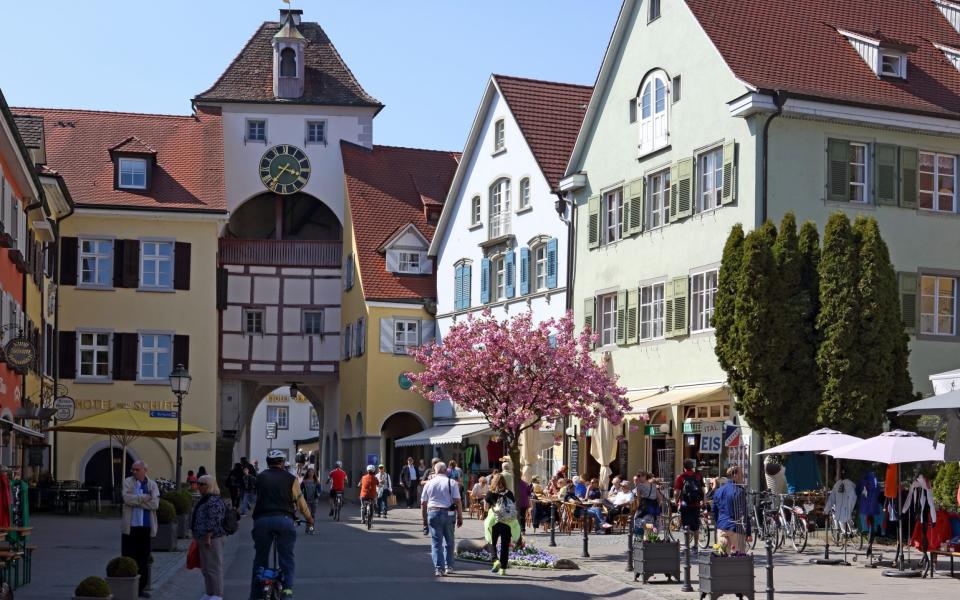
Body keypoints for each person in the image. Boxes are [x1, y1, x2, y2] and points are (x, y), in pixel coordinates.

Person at [249, 449, 314, 600]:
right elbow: (300, 500)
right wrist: (309, 518)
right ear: (282, 463)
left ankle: (255, 595)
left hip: (262, 520)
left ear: (268, 463)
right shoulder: (291, 479)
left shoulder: (260, 477)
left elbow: (253, 498)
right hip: (284, 520)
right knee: (287, 558)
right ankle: (287, 592)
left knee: (260, 558)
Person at [121, 460, 159, 598]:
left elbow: (155, 504)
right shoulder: (127, 482)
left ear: (144, 470)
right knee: (128, 557)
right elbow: (126, 499)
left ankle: (141, 588)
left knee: (143, 559)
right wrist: (144, 497)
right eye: (132, 469)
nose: (133, 471)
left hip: (145, 527)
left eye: (136, 469)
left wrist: (136, 500)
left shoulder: (152, 485)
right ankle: (127, 587)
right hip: (130, 527)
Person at [421, 462, 463, 576]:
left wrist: (424, 520)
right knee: (449, 541)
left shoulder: (429, 483)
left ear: (435, 471)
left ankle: (439, 568)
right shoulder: (452, 482)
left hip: (433, 512)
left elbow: (424, 503)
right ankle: (449, 566)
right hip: (448, 513)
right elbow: (457, 501)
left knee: (436, 542)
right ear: (445, 471)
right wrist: (460, 516)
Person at [191, 475, 227, 600]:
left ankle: (217, 594)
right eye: (198, 483)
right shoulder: (205, 499)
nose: (198, 486)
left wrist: (208, 537)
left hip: (212, 538)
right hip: (202, 537)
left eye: (201, 484)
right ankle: (209, 592)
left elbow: (214, 520)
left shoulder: (214, 500)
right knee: (206, 568)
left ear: (209, 485)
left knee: (214, 568)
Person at [484, 473, 519, 576]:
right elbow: (512, 506)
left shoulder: (490, 493)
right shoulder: (510, 493)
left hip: (494, 522)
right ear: (504, 482)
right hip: (507, 523)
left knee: (491, 541)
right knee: (505, 545)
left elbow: (486, 508)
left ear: (493, 482)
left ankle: (495, 560)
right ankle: (503, 569)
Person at [712, 466, 751, 553]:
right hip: (735, 528)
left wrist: (719, 523)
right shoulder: (739, 491)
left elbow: (714, 510)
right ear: (735, 475)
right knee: (738, 560)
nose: (742, 477)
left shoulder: (719, 491)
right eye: (741, 474)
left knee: (722, 558)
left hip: (722, 527)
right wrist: (748, 532)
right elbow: (743, 512)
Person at [674, 458, 704, 548]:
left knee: (686, 525)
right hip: (696, 504)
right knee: (696, 526)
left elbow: (676, 492)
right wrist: (704, 501)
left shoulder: (681, 477)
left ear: (684, 467)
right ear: (692, 467)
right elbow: (703, 490)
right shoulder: (698, 476)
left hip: (685, 505)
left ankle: (687, 545)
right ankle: (695, 545)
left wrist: (676, 501)